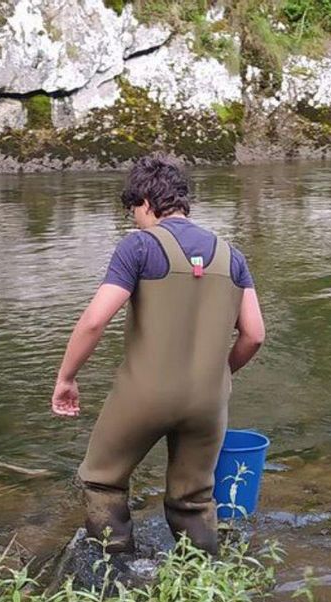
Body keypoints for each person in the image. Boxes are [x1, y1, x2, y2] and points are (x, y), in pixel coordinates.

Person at [50, 154, 265, 556]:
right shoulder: (231, 255)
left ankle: (112, 576)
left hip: (144, 396)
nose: (135, 221)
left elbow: (94, 321)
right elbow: (254, 335)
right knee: (194, 498)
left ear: (147, 202)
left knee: (102, 480)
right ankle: (204, 582)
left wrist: (66, 378)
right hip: (208, 403)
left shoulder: (139, 246)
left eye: (134, 210)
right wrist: (221, 374)